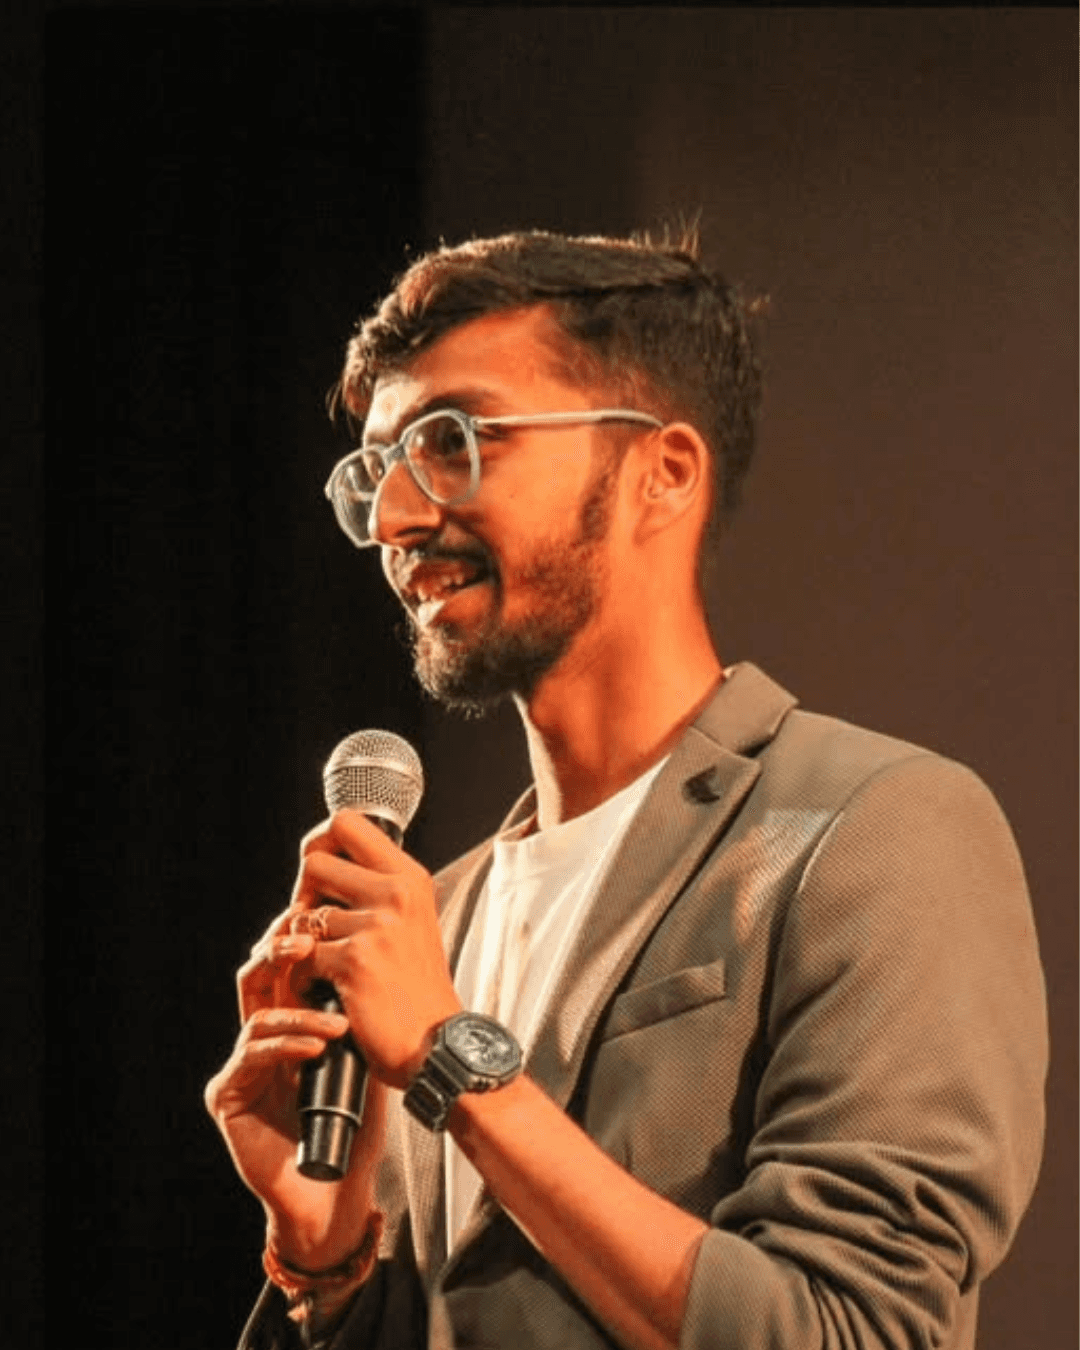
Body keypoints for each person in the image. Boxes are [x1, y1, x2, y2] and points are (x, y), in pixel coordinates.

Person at [205, 230, 1048, 1350]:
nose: (400, 521)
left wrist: (456, 1060)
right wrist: (332, 1256)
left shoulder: (876, 828)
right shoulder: (436, 922)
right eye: (378, 471)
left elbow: (852, 1329)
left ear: (664, 474)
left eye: (453, 442)